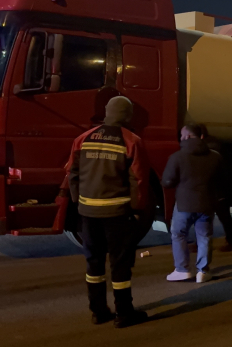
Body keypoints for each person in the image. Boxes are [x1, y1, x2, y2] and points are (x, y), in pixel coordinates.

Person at [65, 96, 150, 328]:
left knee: (93, 263)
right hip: (117, 214)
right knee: (120, 264)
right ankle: (124, 313)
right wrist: (137, 210)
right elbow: (138, 180)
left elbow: (72, 173)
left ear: (106, 111)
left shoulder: (83, 139)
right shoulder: (132, 141)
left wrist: (79, 202)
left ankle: (98, 311)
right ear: (128, 115)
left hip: (88, 213)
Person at [162, 124, 227, 283]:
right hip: (206, 203)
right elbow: (222, 180)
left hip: (184, 204)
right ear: (202, 137)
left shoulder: (177, 157)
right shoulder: (215, 157)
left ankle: (182, 269)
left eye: (182, 135)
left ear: (186, 137)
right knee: (204, 236)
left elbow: (167, 182)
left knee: (178, 234)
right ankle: (203, 271)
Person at [199, 124, 232, 251]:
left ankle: (229, 242)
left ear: (201, 136)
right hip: (219, 188)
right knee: (223, 216)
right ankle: (230, 241)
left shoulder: (208, 149)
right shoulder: (215, 145)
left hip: (215, 189)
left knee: (214, 216)